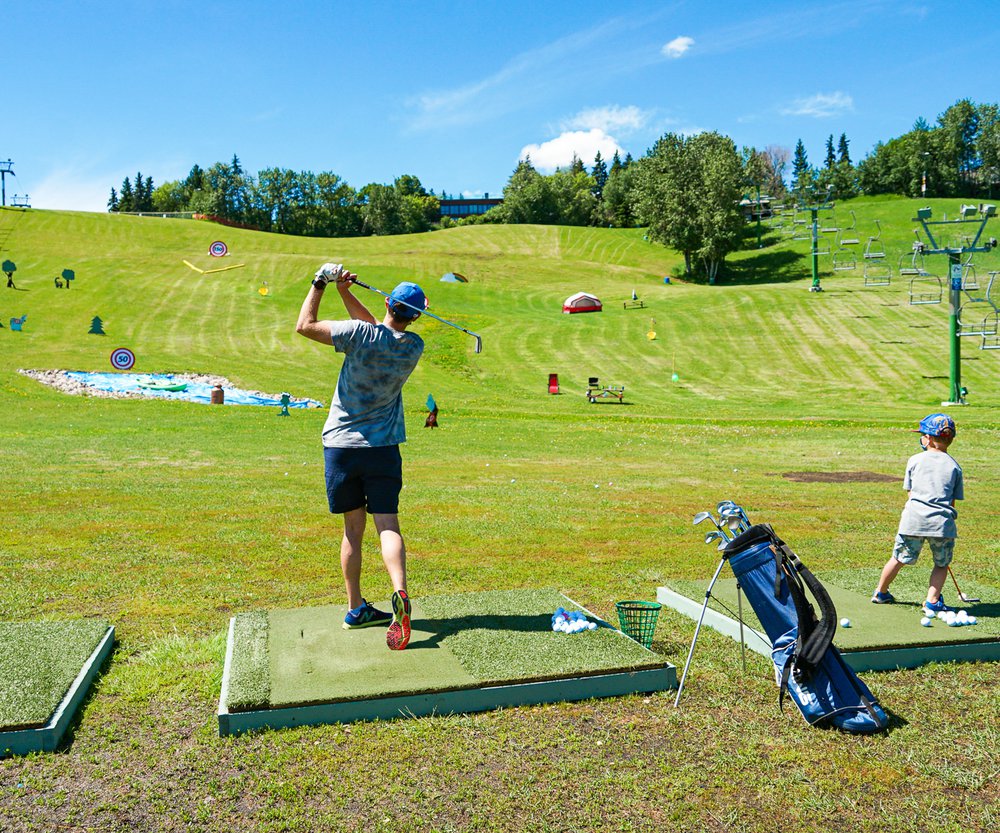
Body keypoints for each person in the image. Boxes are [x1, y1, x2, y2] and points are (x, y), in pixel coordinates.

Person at [295, 262, 425, 650]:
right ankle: (399, 591)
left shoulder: (359, 334)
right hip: (383, 450)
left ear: (388, 301)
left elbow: (305, 325)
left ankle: (356, 608)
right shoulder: (412, 346)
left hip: (341, 449)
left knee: (353, 530)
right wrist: (346, 292)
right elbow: (377, 331)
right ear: (416, 315)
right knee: (388, 525)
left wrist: (321, 282)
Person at [872, 413, 963, 614]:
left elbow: (910, 492)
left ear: (929, 438)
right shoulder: (955, 466)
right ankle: (932, 600)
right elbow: (952, 502)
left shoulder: (914, 460)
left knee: (898, 558)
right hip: (942, 524)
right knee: (941, 564)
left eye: (922, 434)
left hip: (913, 520)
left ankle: (881, 592)